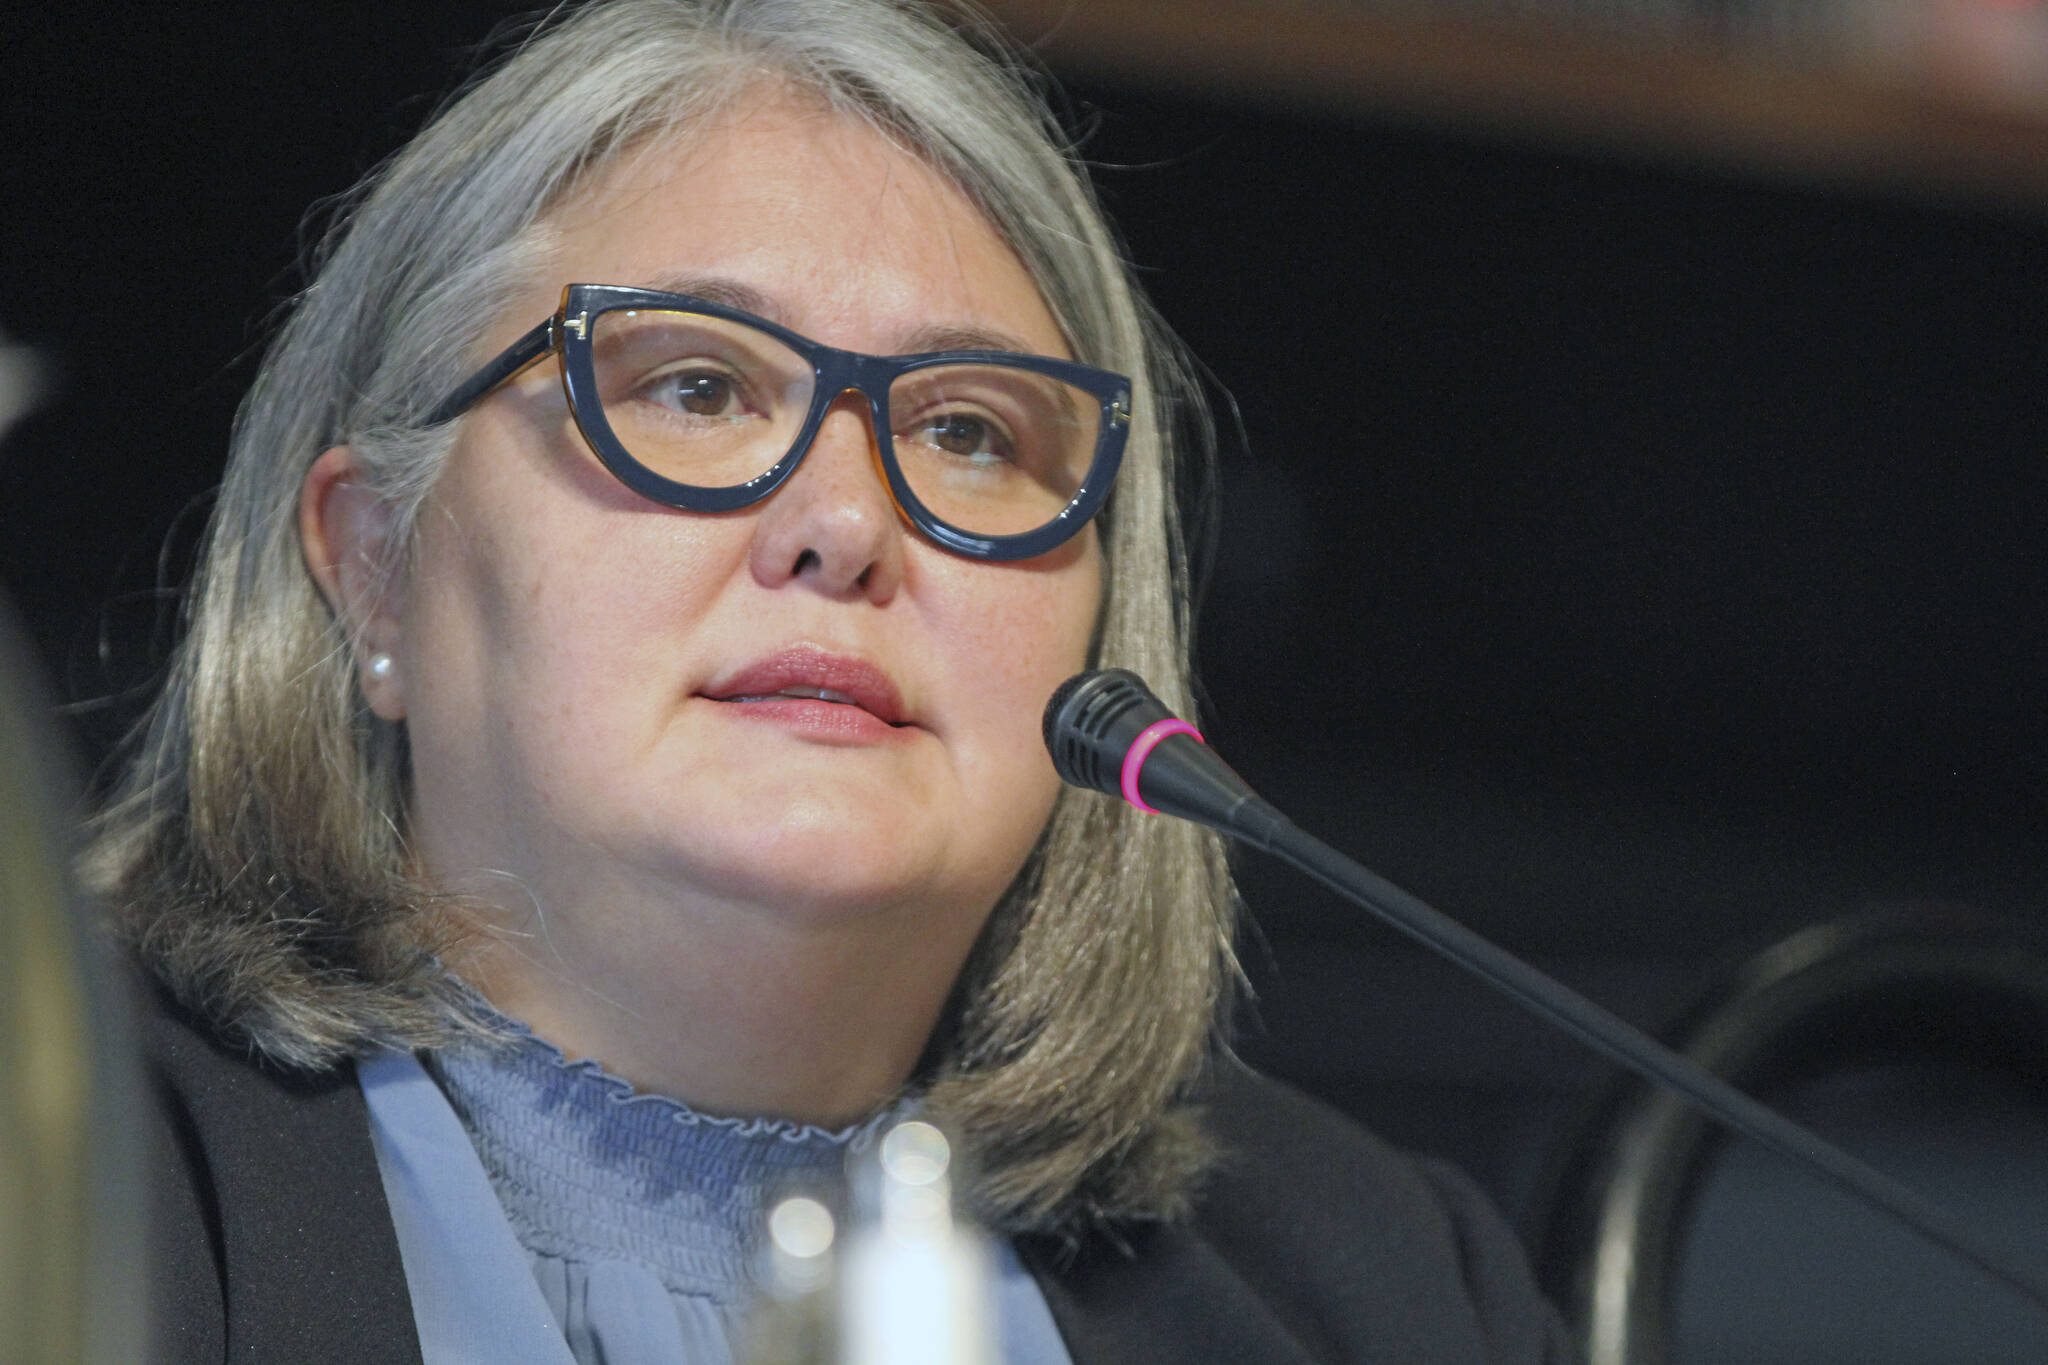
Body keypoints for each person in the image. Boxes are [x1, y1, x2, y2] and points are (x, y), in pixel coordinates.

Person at [89, 1, 1568, 1360]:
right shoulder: (70, 1162)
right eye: (695, 387)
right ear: (376, 567)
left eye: (970, 431)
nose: (847, 525)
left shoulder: (1384, 1287)